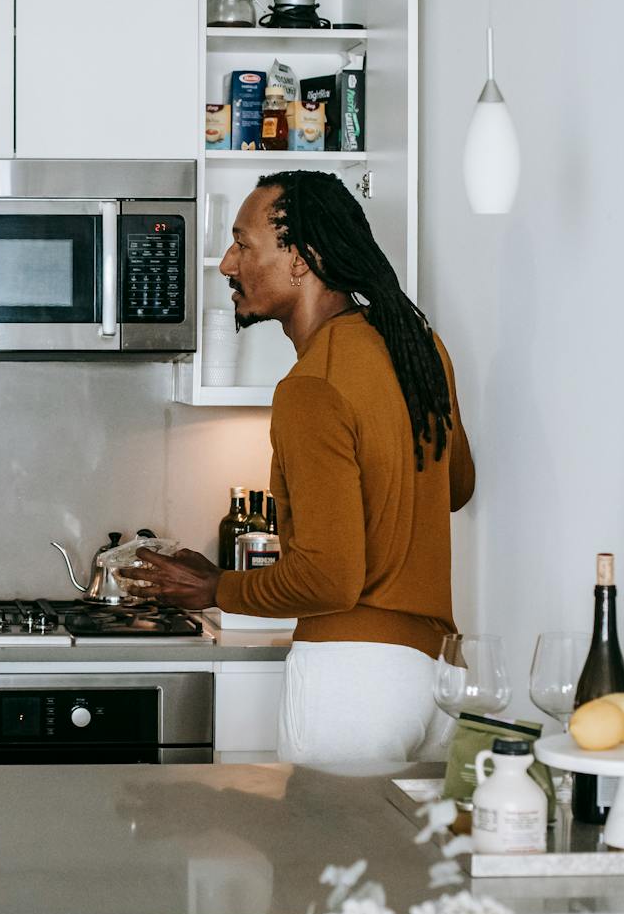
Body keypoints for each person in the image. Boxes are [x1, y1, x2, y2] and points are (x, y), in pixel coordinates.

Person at [123, 171, 475, 764]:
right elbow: (456, 486)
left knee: (324, 858)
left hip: (355, 685)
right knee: (405, 858)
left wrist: (215, 588)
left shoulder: (312, 386)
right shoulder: (417, 347)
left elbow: (328, 580)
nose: (227, 265)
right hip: (438, 676)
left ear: (301, 259)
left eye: (243, 244)